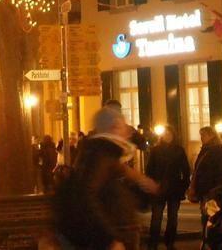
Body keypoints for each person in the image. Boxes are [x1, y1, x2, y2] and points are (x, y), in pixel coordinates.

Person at [54, 106, 158, 250]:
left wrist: (140, 182)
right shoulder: (102, 155)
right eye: (123, 126)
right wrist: (110, 239)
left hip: (110, 235)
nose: (128, 132)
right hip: (103, 240)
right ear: (114, 127)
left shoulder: (105, 154)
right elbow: (88, 196)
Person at [145, 126, 190, 250]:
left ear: (173, 135)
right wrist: (152, 183)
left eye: (169, 134)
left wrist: (183, 185)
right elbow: (149, 169)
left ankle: (169, 242)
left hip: (174, 187)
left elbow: (185, 170)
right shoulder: (156, 150)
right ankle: (153, 243)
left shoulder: (179, 150)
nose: (167, 136)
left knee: (172, 218)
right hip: (159, 187)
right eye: (165, 134)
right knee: (156, 217)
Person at [187, 126, 222, 233]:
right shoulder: (206, 149)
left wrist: (216, 189)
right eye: (201, 135)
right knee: (206, 214)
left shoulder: (217, 151)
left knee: (210, 215)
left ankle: (210, 238)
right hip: (205, 188)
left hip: (211, 189)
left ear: (211, 135)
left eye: (203, 135)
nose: (201, 137)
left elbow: (219, 171)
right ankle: (207, 237)